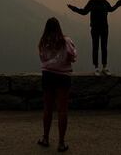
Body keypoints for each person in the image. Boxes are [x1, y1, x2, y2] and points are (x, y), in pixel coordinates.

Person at [37, 17, 77, 152]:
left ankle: (45, 138)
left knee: (47, 108)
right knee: (62, 110)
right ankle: (61, 142)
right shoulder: (66, 41)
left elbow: (42, 57)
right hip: (63, 77)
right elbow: (73, 56)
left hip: (48, 76)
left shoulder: (43, 42)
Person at [67, 0, 121, 75]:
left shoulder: (105, 2)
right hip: (95, 28)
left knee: (104, 47)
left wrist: (119, 3)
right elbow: (84, 12)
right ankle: (96, 68)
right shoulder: (92, 2)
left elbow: (111, 9)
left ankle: (104, 67)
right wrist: (73, 8)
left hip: (104, 28)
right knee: (95, 47)